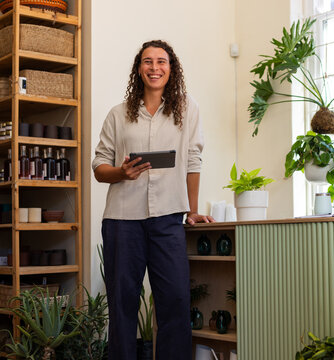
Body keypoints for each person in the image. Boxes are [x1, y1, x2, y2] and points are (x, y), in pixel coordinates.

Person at [92, 40, 214, 360]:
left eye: (161, 61)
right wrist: (121, 172)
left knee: (174, 302)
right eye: (148, 61)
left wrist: (193, 211)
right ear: (139, 69)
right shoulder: (118, 115)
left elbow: (193, 161)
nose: (154, 67)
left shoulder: (187, 110)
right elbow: (99, 168)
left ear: (171, 68)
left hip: (168, 218)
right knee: (122, 305)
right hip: (122, 220)